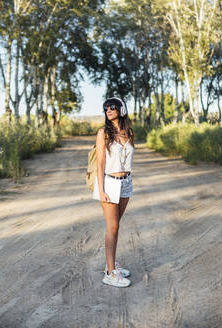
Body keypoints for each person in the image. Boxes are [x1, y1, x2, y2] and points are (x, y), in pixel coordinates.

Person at [95, 97, 134, 288]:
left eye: (112, 107)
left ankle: (111, 264)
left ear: (122, 109)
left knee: (116, 226)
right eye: (106, 108)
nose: (108, 110)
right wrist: (101, 190)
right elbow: (100, 163)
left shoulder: (129, 132)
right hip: (109, 183)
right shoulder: (103, 133)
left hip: (126, 183)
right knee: (113, 227)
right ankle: (110, 273)